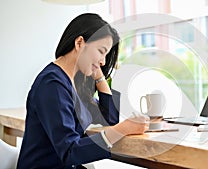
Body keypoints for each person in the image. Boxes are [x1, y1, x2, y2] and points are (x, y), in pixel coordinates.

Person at [17, 13, 149, 169]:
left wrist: (99, 76)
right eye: (101, 51)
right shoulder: (52, 84)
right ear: (79, 43)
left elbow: (110, 117)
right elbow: (70, 151)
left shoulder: (73, 83)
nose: (103, 61)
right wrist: (123, 129)